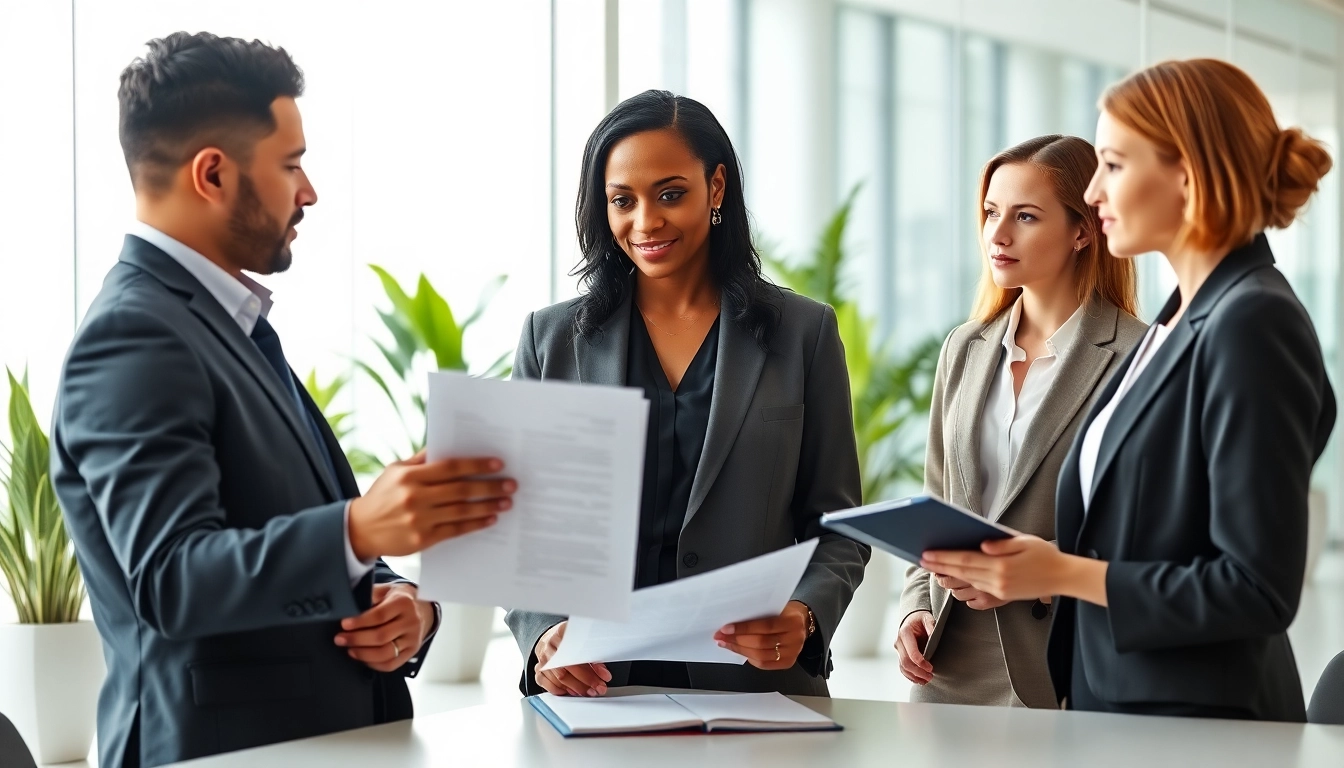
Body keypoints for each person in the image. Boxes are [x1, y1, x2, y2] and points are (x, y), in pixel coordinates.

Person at [50, 33, 517, 768]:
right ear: (212, 173)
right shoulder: (135, 335)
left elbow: (297, 526)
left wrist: (404, 606)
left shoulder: (225, 323)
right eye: (292, 164)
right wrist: (362, 529)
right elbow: (170, 579)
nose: (310, 191)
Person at [920, 58, 1336, 721]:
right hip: (1118, 709)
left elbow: (1256, 587)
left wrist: (1056, 572)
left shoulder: (1252, 319)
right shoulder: (1179, 321)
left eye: (1112, 165)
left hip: (1200, 726)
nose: (1092, 195)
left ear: (1187, 173)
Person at [504, 90, 869, 698]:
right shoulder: (552, 340)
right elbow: (522, 525)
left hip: (757, 691)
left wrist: (804, 614)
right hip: (594, 689)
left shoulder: (804, 333)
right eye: (623, 200)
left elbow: (837, 523)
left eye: (670, 193)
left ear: (716, 186)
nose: (645, 222)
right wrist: (544, 632)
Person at [896, 135, 1145, 708]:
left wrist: (1037, 573)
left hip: (1058, 661)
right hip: (946, 665)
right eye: (990, 213)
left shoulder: (1135, 356)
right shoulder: (965, 347)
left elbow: (1139, 532)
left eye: (1025, 216)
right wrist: (916, 604)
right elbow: (937, 497)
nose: (997, 234)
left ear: (1083, 230)